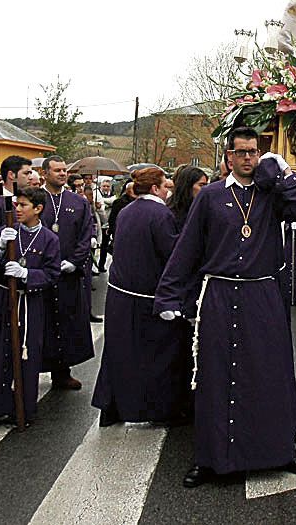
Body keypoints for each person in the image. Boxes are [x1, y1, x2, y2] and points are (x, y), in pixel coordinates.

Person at [152, 127, 296, 488]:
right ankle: (211, 458)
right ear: (228, 157)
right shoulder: (209, 197)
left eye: (254, 152)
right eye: (240, 152)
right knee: (216, 376)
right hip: (219, 296)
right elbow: (187, 250)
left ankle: (279, 449)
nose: (247, 159)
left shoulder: (272, 195)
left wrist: (286, 173)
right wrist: (168, 295)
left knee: (268, 374)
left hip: (262, 297)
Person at [93, 167, 190, 427]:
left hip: (119, 297)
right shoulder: (161, 215)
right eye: (165, 185)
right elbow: (172, 256)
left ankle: (111, 408)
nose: (168, 188)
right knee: (157, 357)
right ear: (156, 189)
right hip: (147, 298)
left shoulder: (126, 211)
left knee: (119, 354)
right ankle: (156, 411)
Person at [0, 186, 61, 433]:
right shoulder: (6, 231)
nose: (18, 209)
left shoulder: (49, 239)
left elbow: (52, 274)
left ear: (38, 209)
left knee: (26, 354)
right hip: (0, 298)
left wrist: (27, 274)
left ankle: (22, 408)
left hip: (28, 302)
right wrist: (1, 247)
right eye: (16, 204)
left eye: (23, 205)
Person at [37, 156, 95, 390]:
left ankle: (62, 372)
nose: (62, 174)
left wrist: (74, 261)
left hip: (68, 274)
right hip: (39, 274)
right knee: (42, 324)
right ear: (44, 173)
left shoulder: (77, 202)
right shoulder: (34, 199)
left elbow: (85, 233)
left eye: (64, 170)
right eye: (57, 170)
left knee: (66, 323)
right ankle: (34, 370)